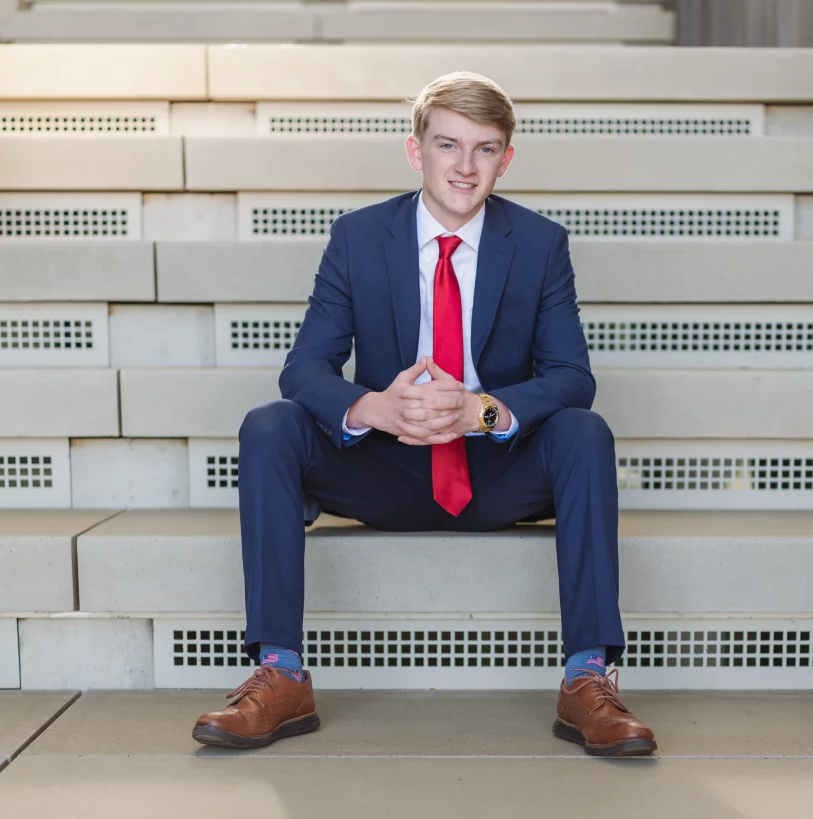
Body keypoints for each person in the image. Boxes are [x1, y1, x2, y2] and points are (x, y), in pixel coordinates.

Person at [192, 71, 657, 757]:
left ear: (507, 157)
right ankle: (281, 671)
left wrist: (484, 410)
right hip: (387, 465)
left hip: (493, 471)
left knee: (584, 433)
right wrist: (370, 406)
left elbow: (572, 377)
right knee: (271, 424)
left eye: (486, 149)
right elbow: (304, 369)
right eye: (448, 145)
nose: (465, 167)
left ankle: (587, 676)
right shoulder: (357, 238)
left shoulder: (538, 243)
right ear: (416, 151)